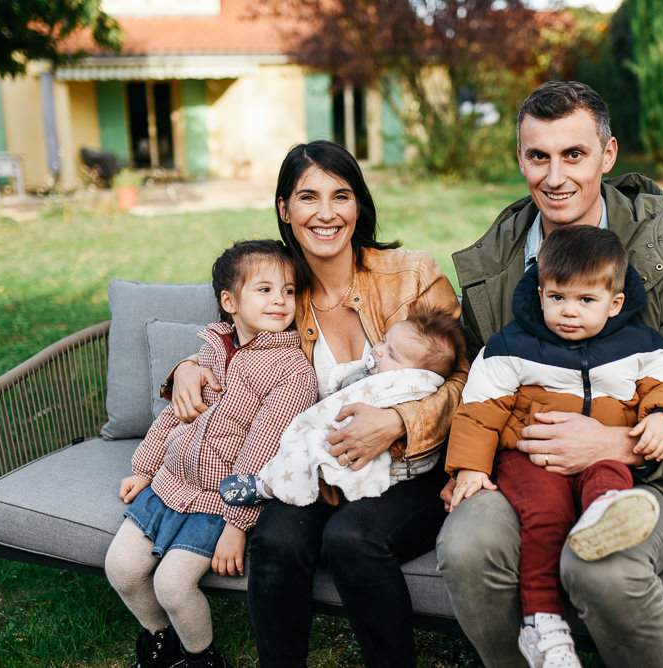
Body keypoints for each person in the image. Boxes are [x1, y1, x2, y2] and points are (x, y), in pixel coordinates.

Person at [437, 80, 663, 668]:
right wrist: (465, 463)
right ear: (520, 159)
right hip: (531, 468)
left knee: (599, 562)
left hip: (657, 479)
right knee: (467, 545)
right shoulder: (493, 263)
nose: (555, 176)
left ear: (608, 155)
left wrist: (619, 442)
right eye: (537, 156)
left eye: (574, 154)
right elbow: (480, 386)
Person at [167, 140, 467, 668]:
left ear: (359, 205)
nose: (326, 213)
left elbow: (465, 379)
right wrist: (185, 369)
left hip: (410, 466)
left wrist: (396, 421)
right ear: (285, 209)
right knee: (278, 541)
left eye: (341, 195)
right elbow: (227, 337)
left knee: (351, 539)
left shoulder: (413, 274)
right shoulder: (279, 290)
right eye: (308, 197)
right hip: (315, 466)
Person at [446, 225, 663, 667]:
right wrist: (470, 468)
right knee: (547, 514)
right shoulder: (511, 345)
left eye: (586, 300)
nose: (569, 312)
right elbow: (478, 408)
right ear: (540, 294)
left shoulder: (638, 345)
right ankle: (542, 625)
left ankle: (603, 518)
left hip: (600, 455)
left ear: (614, 303)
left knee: (612, 476)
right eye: (557, 298)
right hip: (531, 457)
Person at [104, 239, 318, 668]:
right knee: (122, 568)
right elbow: (176, 415)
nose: (280, 300)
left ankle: (202, 659)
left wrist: (238, 525)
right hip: (170, 483)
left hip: (217, 506)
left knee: (173, 586)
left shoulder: (291, 370)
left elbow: (262, 452)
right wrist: (146, 468)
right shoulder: (211, 350)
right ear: (229, 300)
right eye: (264, 289)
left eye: (289, 291)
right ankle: (160, 643)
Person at [221, 305, 465, 506]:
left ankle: (268, 487)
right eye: (383, 341)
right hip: (347, 444)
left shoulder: (409, 387)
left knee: (312, 446)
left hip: (386, 463)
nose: (378, 351)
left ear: (416, 374)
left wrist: (397, 421)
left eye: (392, 354)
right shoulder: (375, 372)